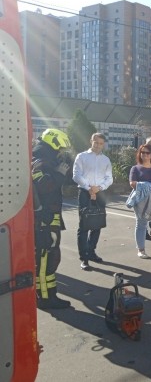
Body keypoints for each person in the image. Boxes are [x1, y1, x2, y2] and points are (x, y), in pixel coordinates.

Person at [32, 128, 72, 309]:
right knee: (45, 257)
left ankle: (47, 294)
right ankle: (46, 298)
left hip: (49, 216)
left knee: (51, 256)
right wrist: (59, 174)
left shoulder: (46, 160)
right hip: (45, 218)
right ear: (53, 144)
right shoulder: (40, 162)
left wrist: (61, 172)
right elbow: (44, 186)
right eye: (59, 149)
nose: (60, 153)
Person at [72, 133, 113, 270]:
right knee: (84, 226)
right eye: (96, 142)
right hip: (84, 193)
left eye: (101, 143)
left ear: (103, 144)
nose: (98, 145)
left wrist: (99, 188)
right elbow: (76, 175)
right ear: (91, 141)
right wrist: (89, 188)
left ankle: (91, 252)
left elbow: (109, 178)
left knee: (97, 224)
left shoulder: (106, 160)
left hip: (100, 193)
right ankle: (84, 258)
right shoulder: (82, 156)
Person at [128, 144, 151, 259]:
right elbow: (133, 184)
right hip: (142, 202)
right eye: (142, 152)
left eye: (147, 153)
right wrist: (150, 186)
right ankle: (141, 249)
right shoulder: (135, 168)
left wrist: (150, 187)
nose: (145, 155)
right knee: (141, 225)